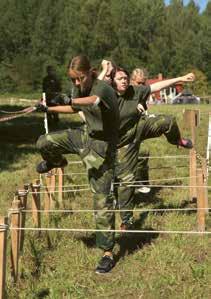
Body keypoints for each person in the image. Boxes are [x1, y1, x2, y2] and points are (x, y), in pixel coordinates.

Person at [36, 55, 120, 274]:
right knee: (44, 142)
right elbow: (74, 109)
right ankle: (58, 162)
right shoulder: (77, 88)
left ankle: (107, 252)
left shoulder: (103, 89)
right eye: (72, 80)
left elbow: (92, 101)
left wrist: (69, 100)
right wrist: (49, 109)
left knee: (101, 199)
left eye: (79, 79)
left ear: (90, 72)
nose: (76, 84)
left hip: (103, 147)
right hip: (85, 136)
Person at [109, 66, 195, 229]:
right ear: (112, 82)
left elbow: (157, 86)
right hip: (123, 140)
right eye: (120, 78)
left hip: (140, 126)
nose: (124, 80)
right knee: (126, 180)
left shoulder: (135, 91)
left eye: (126, 78)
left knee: (167, 121)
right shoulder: (108, 95)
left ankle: (177, 140)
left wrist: (179, 79)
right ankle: (126, 220)